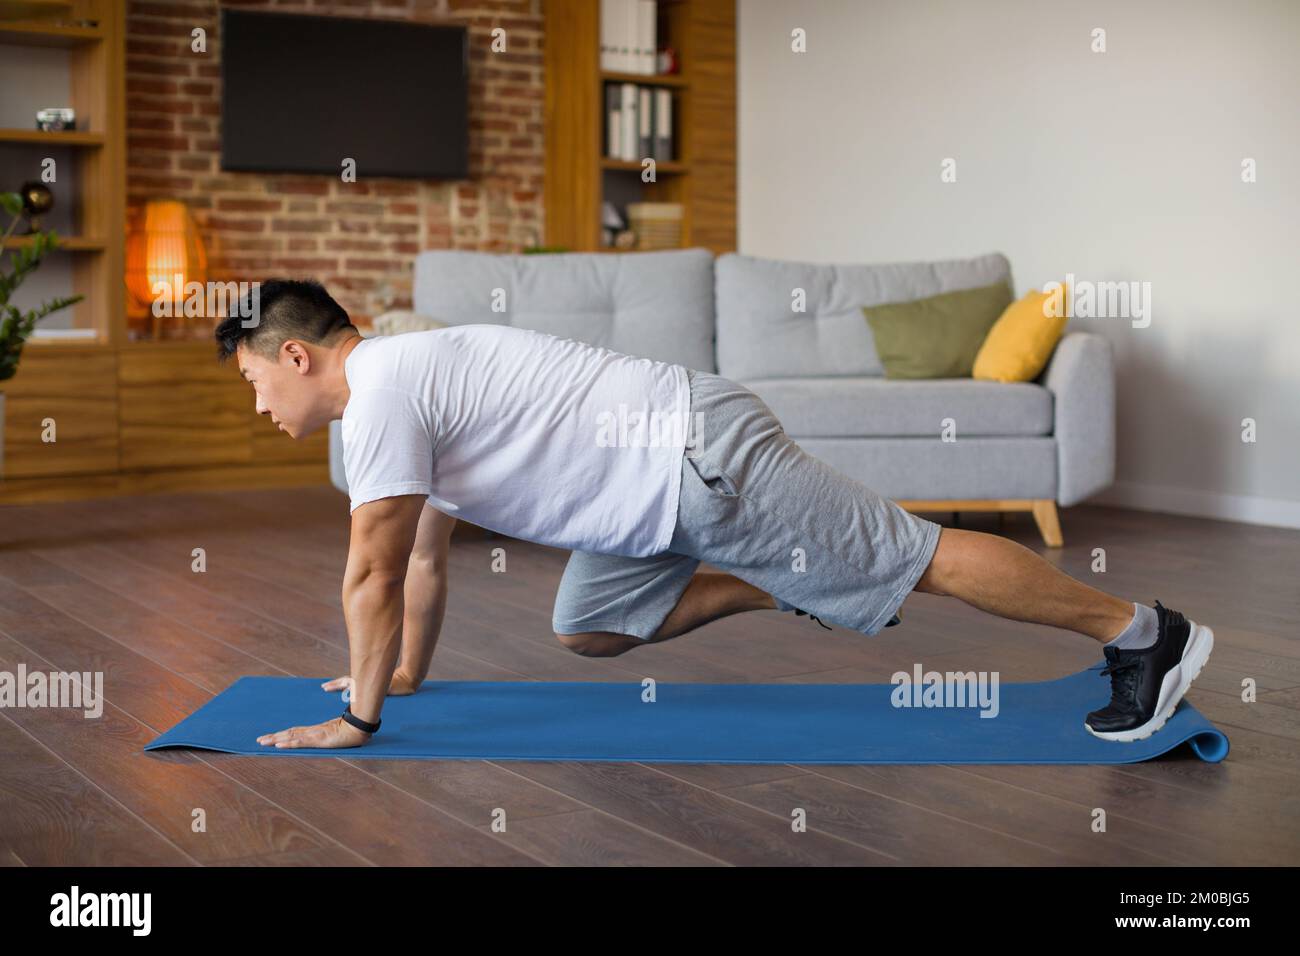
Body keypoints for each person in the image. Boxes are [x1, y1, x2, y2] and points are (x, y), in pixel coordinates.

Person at [215, 279, 1214, 751]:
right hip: (642, 501)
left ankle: (1144, 633)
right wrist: (397, 673)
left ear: (296, 355)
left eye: (257, 382)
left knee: (913, 557)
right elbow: (422, 561)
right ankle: (791, 578)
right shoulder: (399, 390)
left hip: (696, 454)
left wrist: (357, 719)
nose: (262, 406)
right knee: (589, 628)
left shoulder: (384, 389)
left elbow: (371, 570)